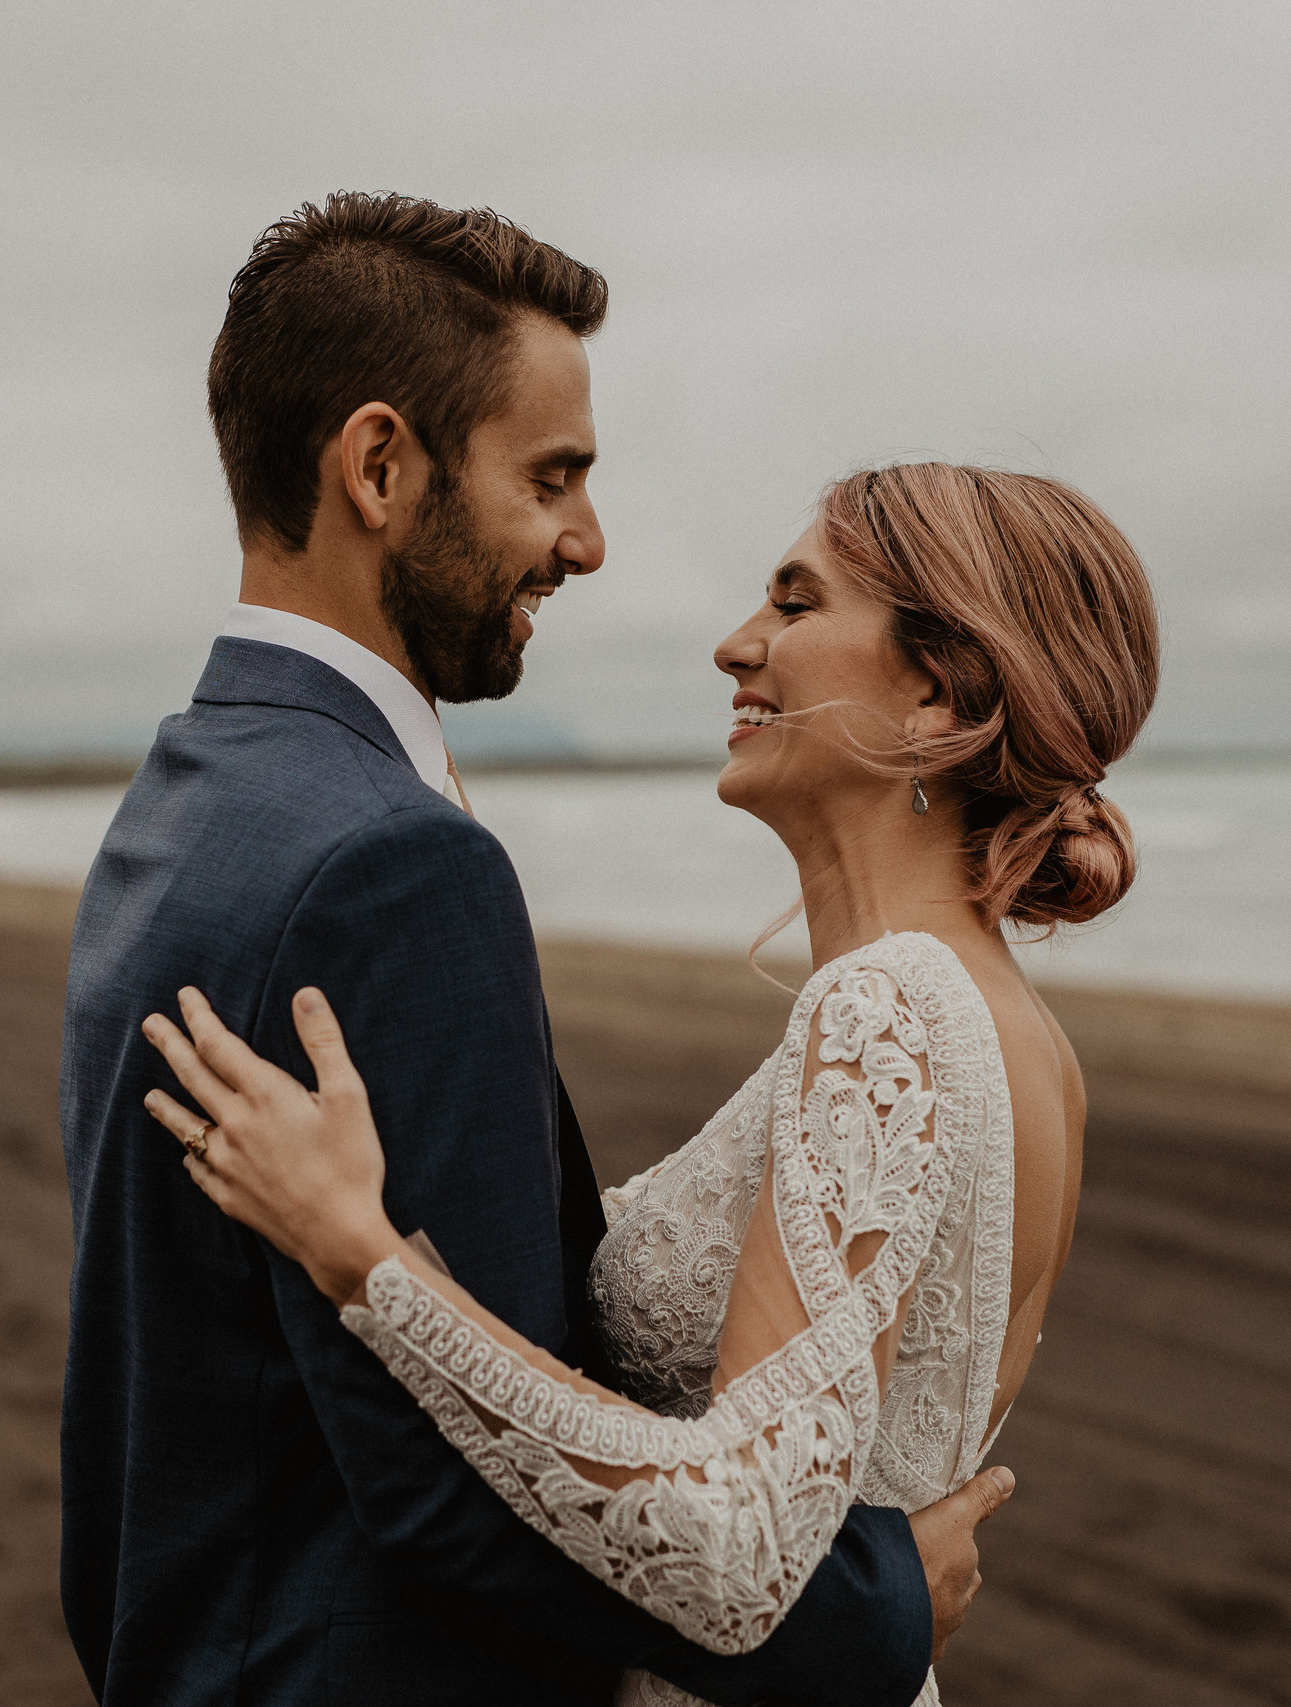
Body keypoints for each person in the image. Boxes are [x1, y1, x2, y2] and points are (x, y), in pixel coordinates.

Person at [59, 193, 1008, 1707]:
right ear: (380, 465)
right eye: (551, 475)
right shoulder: (391, 864)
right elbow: (455, 1481)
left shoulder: (188, 805)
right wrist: (878, 1607)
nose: (588, 539)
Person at [142, 460, 1161, 1706]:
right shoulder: (1008, 1027)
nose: (736, 644)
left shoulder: (890, 1008)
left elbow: (740, 1548)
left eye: (794, 605)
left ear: (938, 685)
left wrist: (363, 1255)